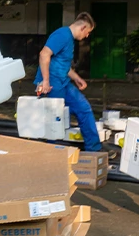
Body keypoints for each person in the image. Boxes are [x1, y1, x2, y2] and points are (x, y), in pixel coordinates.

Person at [34, 13, 106, 155]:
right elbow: (44, 54)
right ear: (83, 27)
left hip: (63, 83)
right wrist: (46, 81)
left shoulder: (69, 39)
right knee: (54, 120)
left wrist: (76, 77)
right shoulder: (62, 35)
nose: (87, 36)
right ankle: (51, 155)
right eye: (88, 32)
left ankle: (94, 150)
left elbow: (62, 64)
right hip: (52, 84)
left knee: (84, 108)